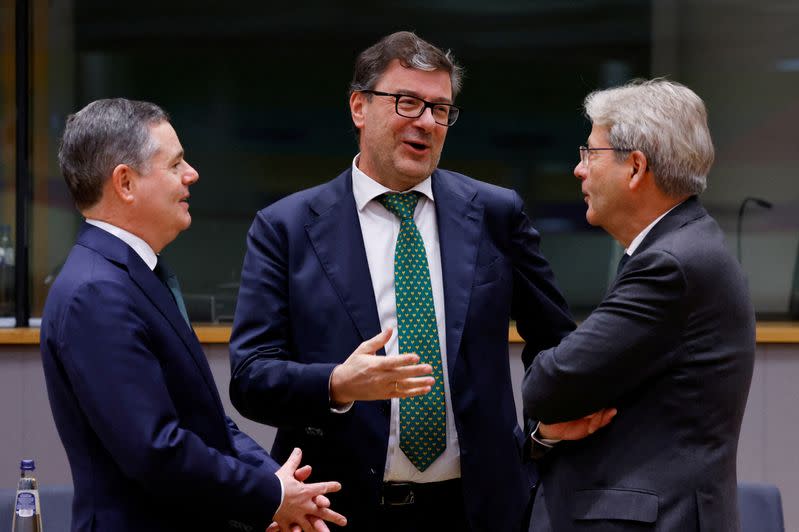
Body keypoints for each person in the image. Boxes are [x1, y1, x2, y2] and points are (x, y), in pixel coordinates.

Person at [228, 31, 581, 532]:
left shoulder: (495, 214)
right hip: (340, 510)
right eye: (408, 103)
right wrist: (335, 384)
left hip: (480, 508)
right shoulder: (286, 227)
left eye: (440, 110)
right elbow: (250, 378)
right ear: (359, 107)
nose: (426, 123)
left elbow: (554, 342)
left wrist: (538, 436)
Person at [40, 98, 347, 532]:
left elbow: (204, 422)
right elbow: (156, 449)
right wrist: (271, 496)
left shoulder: (133, 275)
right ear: (125, 183)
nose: (192, 175)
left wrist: (275, 483)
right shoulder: (97, 291)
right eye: (176, 164)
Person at [523, 79, 756, 531]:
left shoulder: (670, 265)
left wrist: (550, 408)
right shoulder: (686, 248)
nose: (578, 169)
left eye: (590, 153)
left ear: (635, 168)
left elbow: (547, 384)